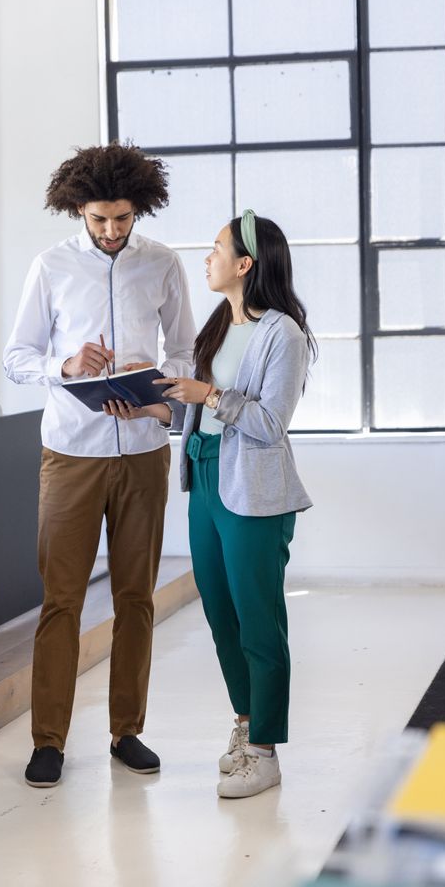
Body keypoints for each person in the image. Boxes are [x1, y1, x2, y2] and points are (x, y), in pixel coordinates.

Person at [3, 143, 196, 787]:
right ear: (78, 210)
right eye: (99, 219)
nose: (112, 231)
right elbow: (17, 356)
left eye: (121, 218)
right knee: (61, 600)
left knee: (135, 597)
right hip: (71, 452)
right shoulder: (52, 266)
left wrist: (159, 394)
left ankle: (127, 731)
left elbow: (188, 352)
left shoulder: (162, 263)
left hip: (142, 453)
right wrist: (66, 367)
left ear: (137, 208)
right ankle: (48, 741)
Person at [107, 210, 314, 798]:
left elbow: (270, 424)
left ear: (245, 264)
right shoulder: (221, 322)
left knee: (259, 621)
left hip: (255, 489)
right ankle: (245, 725)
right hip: (205, 475)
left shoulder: (283, 333)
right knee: (222, 616)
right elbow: (197, 411)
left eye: (217, 249)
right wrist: (151, 407)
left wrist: (211, 394)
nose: (208, 257)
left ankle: (267, 750)